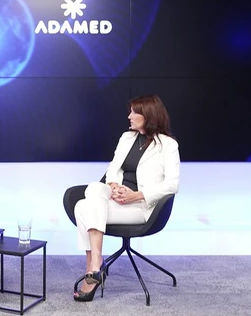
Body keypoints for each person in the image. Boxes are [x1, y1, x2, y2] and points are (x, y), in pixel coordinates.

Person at [72, 94, 180, 302]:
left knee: (83, 208)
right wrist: (113, 186)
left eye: (133, 112)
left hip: (142, 206)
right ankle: (96, 263)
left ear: (148, 115)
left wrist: (136, 195)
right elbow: (112, 168)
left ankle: (93, 267)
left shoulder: (168, 146)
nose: (129, 116)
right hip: (115, 199)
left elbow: (172, 184)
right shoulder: (127, 138)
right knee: (95, 187)